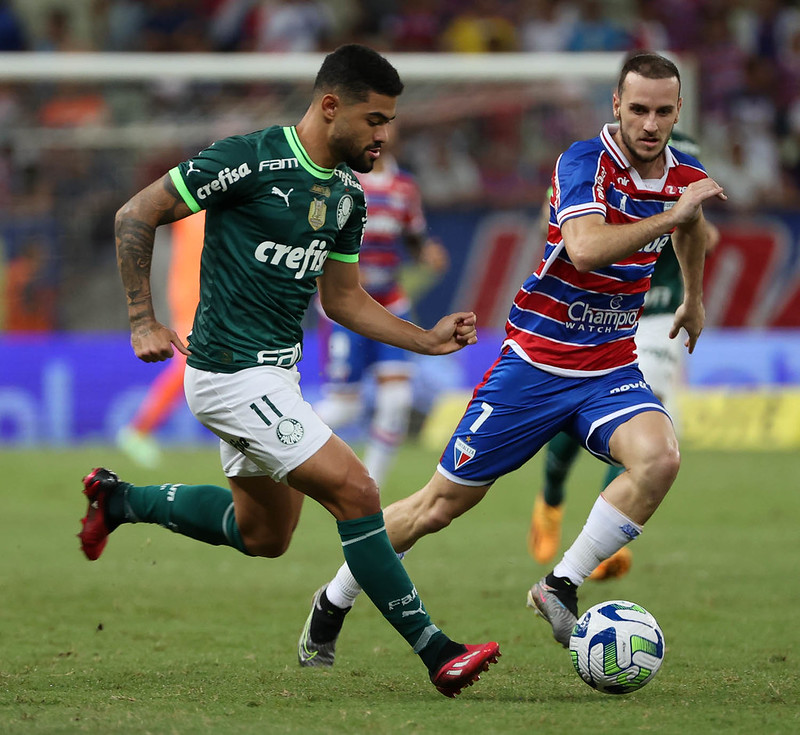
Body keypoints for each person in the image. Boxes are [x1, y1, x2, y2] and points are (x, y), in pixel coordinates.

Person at [77, 43, 500, 697]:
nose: (385, 135)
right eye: (375, 119)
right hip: (228, 375)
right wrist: (142, 317)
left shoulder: (347, 199)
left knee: (264, 534)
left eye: (389, 122)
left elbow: (344, 299)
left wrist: (425, 339)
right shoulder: (247, 160)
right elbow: (136, 212)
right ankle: (437, 650)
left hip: (278, 377)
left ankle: (120, 498)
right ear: (331, 107)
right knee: (358, 492)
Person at [296, 52, 726, 659]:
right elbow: (582, 249)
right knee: (437, 507)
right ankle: (333, 598)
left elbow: (690, 225)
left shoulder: (685, 174)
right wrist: (668, 218)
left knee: (659, 459)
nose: (650, 124)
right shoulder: (585, 162)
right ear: (616, 106)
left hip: (608, 366)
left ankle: (559, 585)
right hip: (535, 365)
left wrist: (696, 298)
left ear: (677, 110)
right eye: (637, 110)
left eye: (662, 111)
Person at [528, 131, 721, 580]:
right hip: (607, 306)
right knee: (573, 407)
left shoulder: (689, 159)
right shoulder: (599, 169)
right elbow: (557, 229)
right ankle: (551, 496)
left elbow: (701, 234)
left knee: (646, 405)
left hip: (660, 309)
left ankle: (600, 541)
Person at [314, 144, 449, 487]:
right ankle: (275, 444)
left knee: (397, 399)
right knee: (345, 407)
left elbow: (414, 238)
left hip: (389, 302)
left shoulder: (405, 185)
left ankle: (370, 483)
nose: (382, 132)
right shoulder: (338, 179)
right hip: (345, 306)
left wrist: (427, 253)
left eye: (388, 122)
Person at [116, 212, 204, 467]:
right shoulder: (197, 203)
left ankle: (138, 431)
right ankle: (138, 430)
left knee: (196, 366)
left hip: (203, 296)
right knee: (187, 365)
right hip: (192, 297)